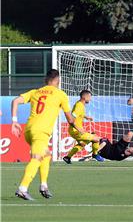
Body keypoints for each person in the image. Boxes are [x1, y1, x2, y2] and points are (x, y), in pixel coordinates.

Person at [11, 69, 82, 200]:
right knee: (37, 158)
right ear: (57, 81)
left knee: (46, 155)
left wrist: (14, 121)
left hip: (29, 130)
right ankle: (22, 188)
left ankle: (43, 185)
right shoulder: (60, 94)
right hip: (41, 132)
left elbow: (15, 101)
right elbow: (70, 119)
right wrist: (80, 129)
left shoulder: (35, 92)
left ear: (46, 80)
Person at [63, 90, 104, 164]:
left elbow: (78, 114)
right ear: (85, 97)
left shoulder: (80, 104)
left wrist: (86, 117)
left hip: (74, 130)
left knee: (83, 144)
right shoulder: (79, 106)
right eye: (90, 97)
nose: (90, 99)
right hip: (76, 131)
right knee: (96, 139)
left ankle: (68, 157)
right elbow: (71, 119)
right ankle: (95, 154)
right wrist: (78, 128)